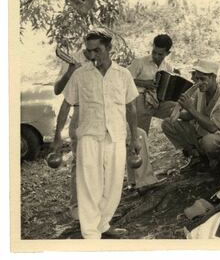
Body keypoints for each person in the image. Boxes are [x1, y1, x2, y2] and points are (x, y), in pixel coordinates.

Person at [52, 28, 141, 239]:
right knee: (89, 185)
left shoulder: (123, 74)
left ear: (109, 48)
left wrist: (135, 137)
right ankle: (91, 235)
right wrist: (57, 137)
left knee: (113, 185)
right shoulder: (80, 74)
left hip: (116, 136)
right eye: (88, 51)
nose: (92, 56)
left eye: (97, 50)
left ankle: (103, 224)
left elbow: (131, 108)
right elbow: (66, 106)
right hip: (89, 137)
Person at [161, 59, 220, 173]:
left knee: (209, 141)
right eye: (197, 78)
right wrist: (175, 111)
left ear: (213, 77)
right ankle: (195, 156)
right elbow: (190, 116)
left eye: (203, 79)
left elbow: (213, 128)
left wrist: (190, 108)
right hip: (201, 133)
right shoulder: (200, 92)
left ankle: (217, 162)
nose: (199, 82)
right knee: (168, 123)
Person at [126, 34, 176, 190]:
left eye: (160, 53)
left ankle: (191, 152)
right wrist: (145, 83)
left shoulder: (168, 67)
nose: (156, 55)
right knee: (139, 136)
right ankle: (137, 181)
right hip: (139, 99)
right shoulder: (139, 62)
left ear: (167, 53)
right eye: (154, 51)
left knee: (178, 110)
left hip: (157, 101)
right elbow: (125, 79)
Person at [51, 47, 91, 220]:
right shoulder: (73, 58)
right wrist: (69, 72)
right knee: (80, 162)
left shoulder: (104, 58)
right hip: (80, 113)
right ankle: (76, 207)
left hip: (101, 113)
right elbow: (57, 90)